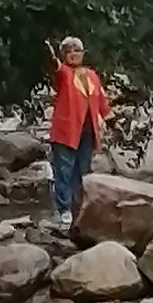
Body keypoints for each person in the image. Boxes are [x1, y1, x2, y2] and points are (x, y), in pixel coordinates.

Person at [45, 34, 109, 232]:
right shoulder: (63, 73)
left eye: (76, 50)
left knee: (83, 172)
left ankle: (78, 209)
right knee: (64, 171)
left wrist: (110, 118)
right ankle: (64, 210)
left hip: (87, 131)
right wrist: (50, 55)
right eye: (68, 51)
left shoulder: (92, 75)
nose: (73, 54)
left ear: (83, 53)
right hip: (66, 130)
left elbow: (101, 101)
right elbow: (55, 67)